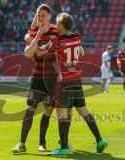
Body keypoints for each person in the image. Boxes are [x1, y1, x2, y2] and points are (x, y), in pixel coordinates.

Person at [47, 13, 107, 156]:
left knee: (62, 113)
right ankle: (99, 139)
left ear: (61, 25)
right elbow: (82, 52)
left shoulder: (57, 41)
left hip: (64, 81)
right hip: (76, 80)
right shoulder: (77, 37)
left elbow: (46, 51)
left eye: (57, 23)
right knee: (84, 111)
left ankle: (64, 147)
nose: (55, 25)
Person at [12, 4, 59, 153]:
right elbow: (28, 54)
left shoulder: (56, 32)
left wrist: (36, 47)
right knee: (29, 109)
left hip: (52, 78)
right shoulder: (33, 32)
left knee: (48, 111)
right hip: (37, 77)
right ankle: (21, 143)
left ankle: (42, 143)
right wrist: (37, 36)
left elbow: (38, 53)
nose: (40, 18)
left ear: (50, 16)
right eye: (38, 16)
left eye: (43, 15)